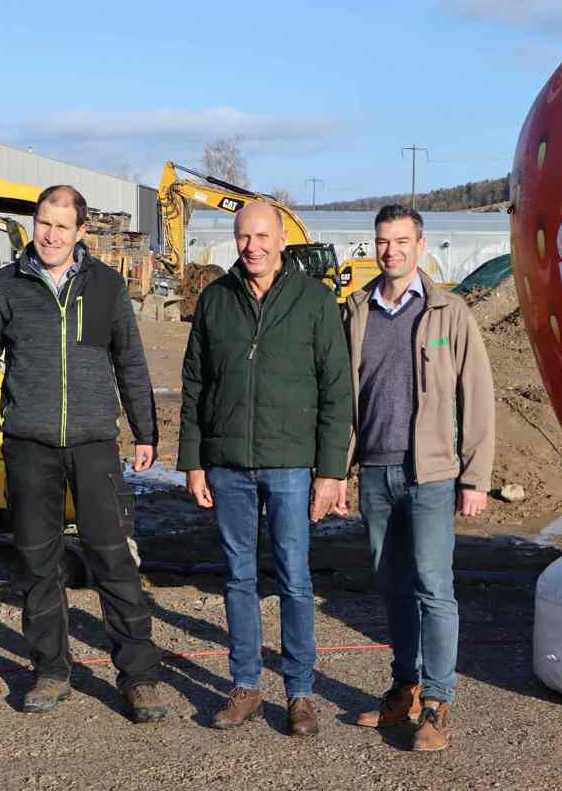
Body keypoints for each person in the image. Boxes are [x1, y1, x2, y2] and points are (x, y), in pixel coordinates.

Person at [0, 185, 167, 723]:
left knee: (113, 559)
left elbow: (130, 362)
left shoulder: (105, 288)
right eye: (43, 223)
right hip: (29, 445)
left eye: (61, 226)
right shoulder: (3, 288)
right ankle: (51, 670)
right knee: (37, 562)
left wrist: (145, 432)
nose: (50, 235)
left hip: (95, 444)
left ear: (81, 232)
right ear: (35, 224)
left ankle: (139, 677)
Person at [177, 200, 352, 737]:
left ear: (280, 240)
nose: (251, 246)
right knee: (238, 577)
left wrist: (330, 472)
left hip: (291, 464)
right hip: (227, 464)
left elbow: (337, 391)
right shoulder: (215, 300)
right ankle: (246, 686)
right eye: (243, 237)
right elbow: (194, 386)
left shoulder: (314, 301)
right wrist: (192, 462)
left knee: (295, 581)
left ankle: (299, 692)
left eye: (260, 236)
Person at [340, 204, 495, 752]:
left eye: (402, 242)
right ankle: (403, 686)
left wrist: (475, 476)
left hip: (430, 475)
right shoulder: (357, 310)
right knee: (393, 586)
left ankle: (437, 701)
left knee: (434, 587)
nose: (392, 251)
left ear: (420, 245)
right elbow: (342, 398)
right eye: (383, 242)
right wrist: (338, 470)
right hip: (376, 472)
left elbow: (476, 396)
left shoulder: (448, 312)